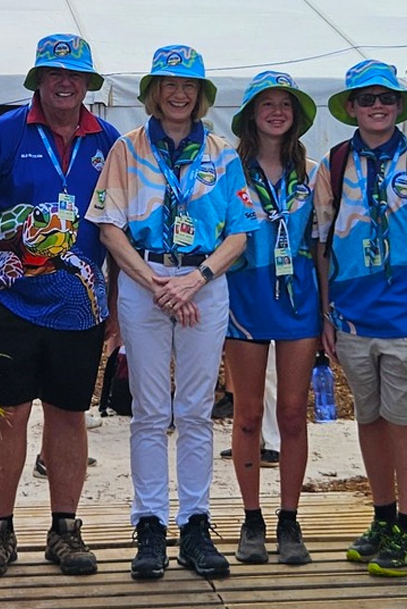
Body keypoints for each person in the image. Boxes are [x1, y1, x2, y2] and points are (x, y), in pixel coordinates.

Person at [89, 45, 263, 581]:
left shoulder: (222, 152)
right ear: (153, 93)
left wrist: (195, 279)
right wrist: (154, 282)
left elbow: (241, 229)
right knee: (147, 410)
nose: (179, 94)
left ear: (202, 94)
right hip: (146, 284)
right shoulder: (126, 148)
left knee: (192, 410)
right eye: (169, 84)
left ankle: (194, 523)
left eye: (189, 85)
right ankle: (148, 525)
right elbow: (109, 224)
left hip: (202, 285)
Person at [0, 34, 117, 580]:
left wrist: (115, 304)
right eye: (54, 72)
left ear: (89, 83)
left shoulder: (111, 141)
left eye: (75, 74)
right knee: (7, 414)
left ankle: (65, 529)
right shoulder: (4, 133)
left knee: (69, 415)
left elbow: (115, 228)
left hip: (80, 307)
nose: (64, 82)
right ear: (37, 78)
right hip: (8, 301)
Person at [313, 60, 407, 578]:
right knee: (369, 420)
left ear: (400, 106)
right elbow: (323, 245)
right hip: (351, 320)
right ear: (350, 107)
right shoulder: (333, 162)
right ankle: (384, 518)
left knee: (406, 424)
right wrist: (326, 313)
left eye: (387, 99)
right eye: (367, 99)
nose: (377, 107)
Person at [223, 71, 320, 565]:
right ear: (250, 116)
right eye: (268, 104)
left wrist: (325, 311)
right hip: (245, 299)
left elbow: (323, 243)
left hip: (300, 301)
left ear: (297, 115)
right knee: (248, 414)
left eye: (286, 104)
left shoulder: (314, 171)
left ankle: (289, 518)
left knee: (291, 413)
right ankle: (251, 517)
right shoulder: (228, 170)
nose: (277, 111)